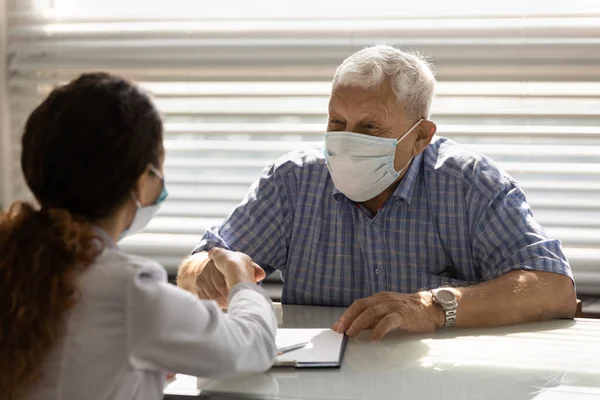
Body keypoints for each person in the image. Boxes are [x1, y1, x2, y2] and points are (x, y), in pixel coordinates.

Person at [177, 44, 577, 340]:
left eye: (369, 128)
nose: (347, 142)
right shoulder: (293, 182)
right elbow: (196, 268)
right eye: (337, 122)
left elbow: (555, 287)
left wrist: (433, 306)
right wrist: (207, 273)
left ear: (420, 136)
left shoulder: (469, 183)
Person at [0, 73, 277, 400]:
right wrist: (243, 281)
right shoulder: (126, 288)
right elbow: (251, 346)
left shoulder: (16, 259)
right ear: (143, 179)